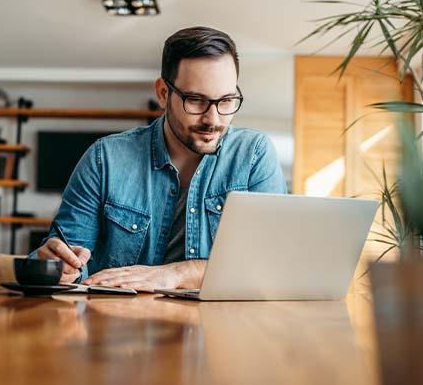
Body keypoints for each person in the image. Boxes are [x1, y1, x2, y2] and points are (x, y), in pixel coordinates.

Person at [32, 26, 287, 291]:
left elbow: (270, 264)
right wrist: (56, 266)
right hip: (117, 326)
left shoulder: (254, 154)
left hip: (220, 328)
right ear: (163, 94)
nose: (213, 119)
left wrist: (177, 274)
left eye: (226, 100)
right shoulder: (104, 159)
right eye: (196, 100)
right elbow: (63, 258)